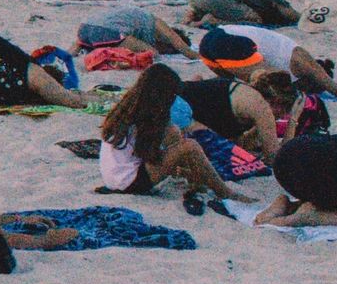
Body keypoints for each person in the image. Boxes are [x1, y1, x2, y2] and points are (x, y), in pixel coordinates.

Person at [96, 66, 246, 202]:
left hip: (116, 177)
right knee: (189, 146)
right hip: (129, 181)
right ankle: (226, 193)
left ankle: (196, 180)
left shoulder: (128, 107)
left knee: (174, 134)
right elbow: (148, 153)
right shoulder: (143, 117)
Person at [200, 25, 337, 99]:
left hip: (208, 44)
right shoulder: (301, 59)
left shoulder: (294, 61)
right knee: (267, 88)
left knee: (232, 84)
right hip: (231, 44)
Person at [73, 4, 195, 57]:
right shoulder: (154, 22)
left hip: (85, 28)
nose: (165, 51)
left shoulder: (139, 22)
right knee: (151, 53)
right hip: (107, 32)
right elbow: (173, 37)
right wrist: (195, 56)